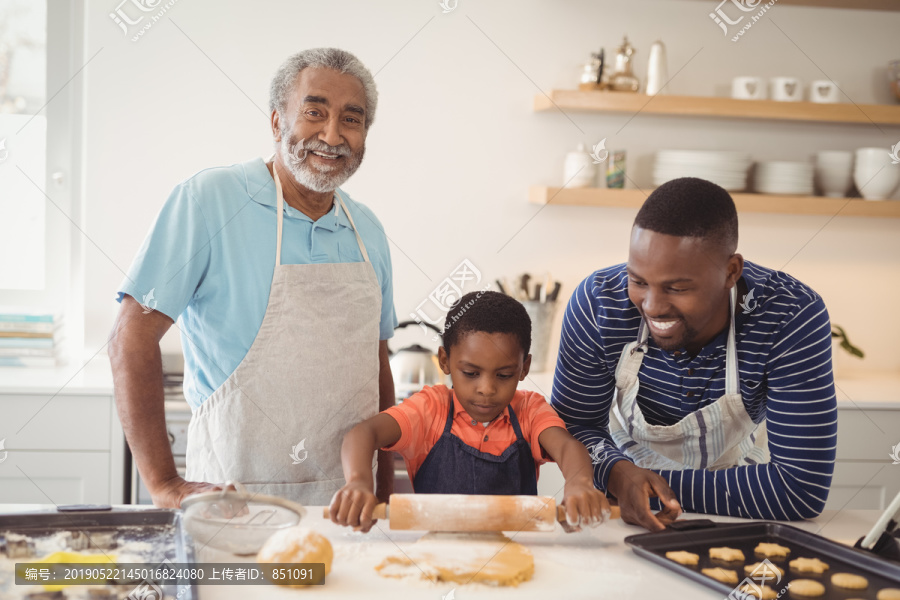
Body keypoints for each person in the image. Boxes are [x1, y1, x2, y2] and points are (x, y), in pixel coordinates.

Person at [109, 48, 398, 507]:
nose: (331, 134)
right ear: (277, 122)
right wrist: (165, 484)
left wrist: (382, 495)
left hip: (344, 510)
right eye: (313, 112)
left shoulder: (368, 231)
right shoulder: (210, 201)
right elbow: (131, 337)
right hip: (233, 501)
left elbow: (377, 367)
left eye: (351, 118)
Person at [552, 177, 837, 531]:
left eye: (677, 287)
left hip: (746, 512)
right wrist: (618, 472)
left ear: (730, 271)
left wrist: (638, 486)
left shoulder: (788, 315)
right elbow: (574, 425)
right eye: (638, 281)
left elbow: (799, 490)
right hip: (622, 510)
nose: (652, 306)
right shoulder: (599, 304)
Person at [329, 291, 610, 532]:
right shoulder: (431, 409)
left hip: (519, 552)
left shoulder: (528, 411)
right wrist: (359, 480)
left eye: (504, 375)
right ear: (445, 361)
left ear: (524, 368)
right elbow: (363, 433)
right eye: (471, 373)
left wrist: (580, 482)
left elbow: (567, 446)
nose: (486, 389)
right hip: (437, 552)